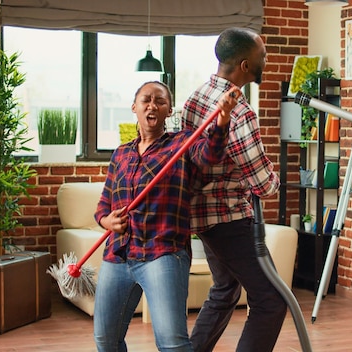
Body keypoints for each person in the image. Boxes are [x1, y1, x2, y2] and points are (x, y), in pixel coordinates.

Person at [93, 81, 241, 352]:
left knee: (172, 344)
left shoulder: (182, 143)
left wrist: (222, 118)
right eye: (146, 100)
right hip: (118, 254)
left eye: (160, 101)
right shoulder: (120, 155)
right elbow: (103, 207)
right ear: (134, 107)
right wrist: (108, 222)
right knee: (105, 339)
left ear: (169, 110)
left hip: (162, 253)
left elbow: (211, 155)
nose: (152, 105)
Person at [181, 27, 286, 352]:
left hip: (204, 220)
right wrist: (275, 178)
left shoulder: (195, 97)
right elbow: (263, 183)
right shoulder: (240, 113)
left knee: (225, 290)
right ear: (244, 65)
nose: (265, 60)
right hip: (230, 220)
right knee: (271, 299)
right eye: (262, 56)